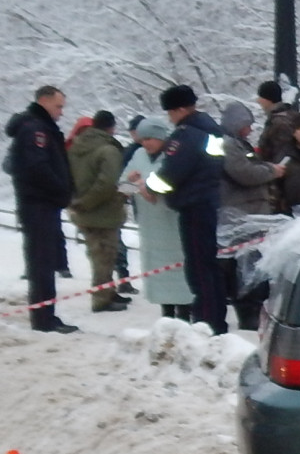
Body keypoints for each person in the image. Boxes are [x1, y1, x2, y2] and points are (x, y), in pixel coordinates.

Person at [146, 85, 228, 334]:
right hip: (208, 201)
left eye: (171, 112)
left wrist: (149, 186)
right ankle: (216, 318)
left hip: (193, 205)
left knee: (198, 267)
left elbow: (172, 171)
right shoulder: (212, 131)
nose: (170, 118)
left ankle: (205, 322)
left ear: (181, 109)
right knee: (209, 265)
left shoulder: (187, 134)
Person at [4, 85, 77, 333]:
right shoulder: (35, 129)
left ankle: (46, 315)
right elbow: (37, 168)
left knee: (44, 262)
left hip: (42, 204)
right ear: (44, 101)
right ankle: (44, 319)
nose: (61, 112)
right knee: (41, 263)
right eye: (58, 106)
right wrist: (60, 190)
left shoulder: (38, 127)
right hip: (39, 205)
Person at [217, 99, 286, 329]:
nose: (251, 129)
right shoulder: (230, 145)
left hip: (248, 214)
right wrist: (271, 171)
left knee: (250, 264)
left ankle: (252, 308)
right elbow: (244, 173)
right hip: (242, 214)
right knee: (245, 267)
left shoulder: (238, 144)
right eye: (247, 124)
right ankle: (247, 312)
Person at [124, 118, 192, 318]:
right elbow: (122, 184)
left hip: (173, 223)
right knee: (158, 271)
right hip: (150, 226)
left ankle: (185, 313)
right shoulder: (138, 155)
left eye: (151, 138)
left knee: (180, 270)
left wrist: (150, 185)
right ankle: (167, 313)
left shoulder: (174, 155)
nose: (146, 143)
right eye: (143, 139)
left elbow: (178, 182)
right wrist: (131, 182)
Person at [68, 109, 130, 313]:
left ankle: (108, 291)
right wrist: (89, 202)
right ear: (111, 127)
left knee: (97, 254)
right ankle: (102, 298)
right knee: (105, 256)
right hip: (103, 212)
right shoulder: (108, 150)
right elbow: (107, 183)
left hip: (82, 211)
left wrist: (78, 202)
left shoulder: (77, 147)